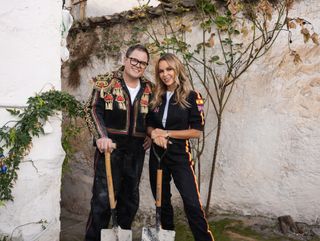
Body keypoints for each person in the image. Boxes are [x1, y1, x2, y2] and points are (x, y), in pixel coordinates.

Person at [84, 44, 153, 241]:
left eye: (143, 63)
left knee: (130, 201)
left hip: (136, 152)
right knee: (102, 200)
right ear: (126, 59)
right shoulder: (105, 82)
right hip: (109, 150)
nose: (138, 65)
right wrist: (101, 136)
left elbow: (152, 116)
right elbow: (92, 109)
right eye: (134, 60)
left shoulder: (149, 88)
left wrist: (149, 132)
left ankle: (120, 237)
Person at [146, 53, 214, 241]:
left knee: (192, 202)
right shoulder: (155, 97)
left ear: (177, 69)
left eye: (169, 69)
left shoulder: (193, 97)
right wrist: (154, 134)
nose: (165, 74)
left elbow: (196, 131)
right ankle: (167, 236)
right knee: (162, 203)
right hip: (157, 156)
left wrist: (166, 133)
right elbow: (149, 124)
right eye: (161, 71)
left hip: (179, 156)